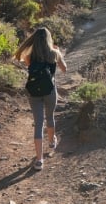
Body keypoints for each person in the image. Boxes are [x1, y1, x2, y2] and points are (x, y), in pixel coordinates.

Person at [14, 27, 67, 170]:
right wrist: (58, 52)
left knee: (38, 124)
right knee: (50, 117)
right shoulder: (54, 53)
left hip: (33, 93)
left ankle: (39, 160)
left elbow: (30, 66)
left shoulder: (29, 55)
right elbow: (64, 69)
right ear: (48, 39)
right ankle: (51, 141)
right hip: (50, 91)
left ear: (35, 40)